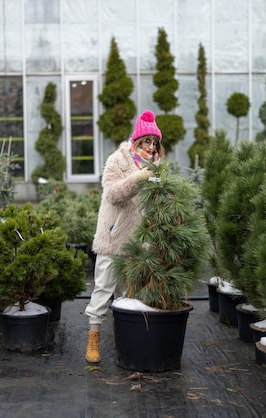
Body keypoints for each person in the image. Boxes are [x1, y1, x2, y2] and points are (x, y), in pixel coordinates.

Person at [85, 110, 165, 363]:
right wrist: (138, 178)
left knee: (130, 297)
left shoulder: (157, 168)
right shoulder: (117, 161)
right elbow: (113, 195)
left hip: (139, 244)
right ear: (136, 141)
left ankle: (125, 339)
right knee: (103, 289)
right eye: (147, 142)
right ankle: (94, 335)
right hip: (113, 238)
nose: (151, 147)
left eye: (155, 143)